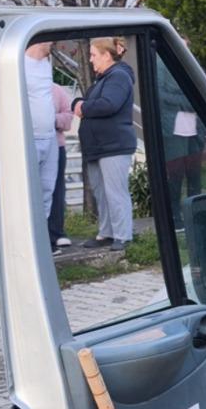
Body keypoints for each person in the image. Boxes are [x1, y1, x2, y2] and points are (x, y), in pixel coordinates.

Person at [74, 37, 136, 251]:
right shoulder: (103, 79)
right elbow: (87, 101)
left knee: (115, 192)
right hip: (98, 147)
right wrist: (78, 104)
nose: (90, 60)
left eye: (93, 55)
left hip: (114, 146)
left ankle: (123, 235)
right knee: (101, 192)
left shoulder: (118, 77)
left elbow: (109, 104)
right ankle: (106, 233)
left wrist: (83, 107)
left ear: (107, 55)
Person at [158, 49, 203, 228]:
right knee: (175, 177)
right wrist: (186, 101)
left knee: (195, 177)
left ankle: (197, 216)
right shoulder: (162, 67)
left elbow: (201, 94)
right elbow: (161, 95)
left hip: (194, 130)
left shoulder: (192, 67)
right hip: (174, 129)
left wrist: (185, 100)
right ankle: (175, 218)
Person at [24, 41, 58, 227]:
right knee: (28, 190)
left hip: (50, 135)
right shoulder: (20, 63)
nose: (54, 43)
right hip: (31, 136)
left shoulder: (47, 62)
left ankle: (41, 232)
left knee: (47, 188)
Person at [48, 83, 75, 250]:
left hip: (57, 145)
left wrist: (52, 119)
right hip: (29, 146)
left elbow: (68, 115)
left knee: (57, 189)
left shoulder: (56, 90)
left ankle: (57, 232)